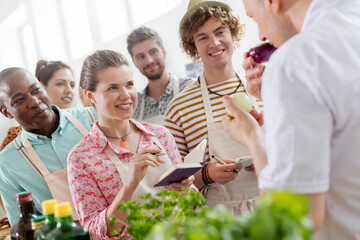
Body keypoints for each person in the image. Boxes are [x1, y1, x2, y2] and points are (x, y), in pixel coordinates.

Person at [222, 0, 360, 239]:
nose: (262, 35)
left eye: (255, 17)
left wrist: (253, 138)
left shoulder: (293, 64)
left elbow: (295, 216)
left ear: (273, 2)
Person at [67, 50, 195, 239]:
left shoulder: (160, 135)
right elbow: (95, 233)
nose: (126, 95)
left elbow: (194, 206)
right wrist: (129, 186)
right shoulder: (81, 158)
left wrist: (188, 189)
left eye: (129, 84)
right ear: (91, 96)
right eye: (112, 88)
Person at [164, 0, 262, 215]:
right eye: (203, 37)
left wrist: (267, 157)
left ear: (233, 33)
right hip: (221, 222)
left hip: (274, 207)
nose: (214, 42)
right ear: (193, 46)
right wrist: (206, 174)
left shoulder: (261, 87)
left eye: (220, 32)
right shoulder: (179, 109)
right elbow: (172, 184)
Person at [0, 67, 96, 225]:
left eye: (36, 90)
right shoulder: (7, 163)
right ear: (6, 112)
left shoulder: (93, 118)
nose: (34, 102)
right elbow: (24, 226)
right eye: (19, 100)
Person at [0, 60, 76, 151]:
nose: (69, 90)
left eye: (72, 85)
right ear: (43, 86)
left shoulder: (85, 119)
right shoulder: (14, 142)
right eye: (60, 84)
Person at [127, 26, 194, 125]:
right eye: (141, 56)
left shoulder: (190, 87)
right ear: (134, 62)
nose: (149, 60)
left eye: (153, 52)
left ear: (164, 52)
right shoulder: (134, 104)